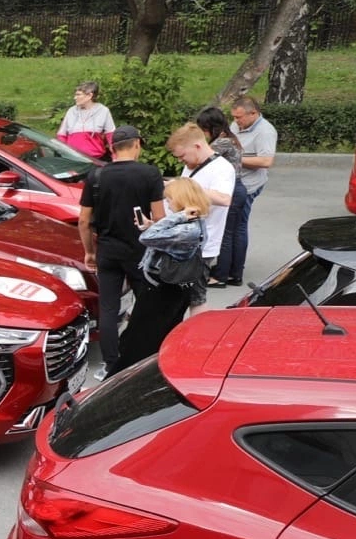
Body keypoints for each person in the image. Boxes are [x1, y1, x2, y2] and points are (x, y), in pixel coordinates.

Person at [77, 126, 164, 379]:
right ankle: (145, 358)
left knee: (108, 308)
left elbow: (84, 220)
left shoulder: (97, 176)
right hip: (141, 252)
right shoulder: (150, 174)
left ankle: (109, 364)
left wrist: (89, 252)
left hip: (108, 250)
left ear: (113, 148)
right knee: (147, 306)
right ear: (136, 144)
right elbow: (159, 218)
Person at [117, 176, 211, 368]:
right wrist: (154, 224)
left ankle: (121, 379)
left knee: (140, 341)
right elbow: (158, 236)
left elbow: (147, 238)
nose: (168, 204)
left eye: (169, 200)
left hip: (162, 290)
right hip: (169, 288)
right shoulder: (195, 224)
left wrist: (179, 216)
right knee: (149, 337)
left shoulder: (187, 228)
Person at [220, 95, 277, 287]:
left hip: (249, 185)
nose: (236, 122)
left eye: (239, 118)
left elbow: (266, 161)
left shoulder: (265, 131)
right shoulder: (238, 126)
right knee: (233, 226)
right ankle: (230, 267)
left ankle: (235, 271)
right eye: (234, 117)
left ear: (254, 113)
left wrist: (234, 158)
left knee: (238, 226)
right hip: (234, 181)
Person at [168, 121, 236, 276]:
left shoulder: (222, 168)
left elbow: (224, 198)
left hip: (203, 245)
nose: (180, 160)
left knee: (196, 297)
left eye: (182, 155)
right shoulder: (192, 164)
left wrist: (187, 187)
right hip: (186, 239)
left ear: (197, 147)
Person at [57, 81, 115, 159]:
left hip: (95, 159)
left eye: (78, 95)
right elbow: (61, 135)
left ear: (89, 96)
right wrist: (64, 153)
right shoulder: (71, 111)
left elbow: (111, 135)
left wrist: (115, 156)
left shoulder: (103, 111)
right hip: (73, 159)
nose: (75, 98)